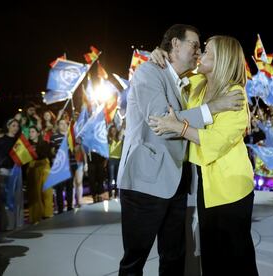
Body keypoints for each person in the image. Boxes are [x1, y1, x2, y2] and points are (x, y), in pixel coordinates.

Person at [116, 24, 244, 276]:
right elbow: (161, 123)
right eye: (195, 45)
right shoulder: (148, 72)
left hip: (177, 184)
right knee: (134, 261)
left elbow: (184, 115)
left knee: (174, 258)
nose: (199, 52)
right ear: (175, 44)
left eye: (202, 49)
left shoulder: (188, 82)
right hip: (145, 183)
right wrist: (213, 108)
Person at [149, 35, 258, 276]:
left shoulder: (235, 94)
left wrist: (180, 128)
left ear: (222, 60)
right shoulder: (198, 83)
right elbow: (174, 71)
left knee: (237, 259)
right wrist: (159, 54)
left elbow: (217, 141)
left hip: (231, 187)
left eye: (207, 51)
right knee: (210, 256)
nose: (200, 53)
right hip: (205, 185)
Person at [0, 119, 23, 230]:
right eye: (13, 125)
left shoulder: (19, 141)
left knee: (17, 197)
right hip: (4, 171)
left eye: (17, 126)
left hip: (17, 170)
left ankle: (18, 223)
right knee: (5, 198)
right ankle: (8, 224)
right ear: (8, 126)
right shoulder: (0, 139)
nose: (16, 128)